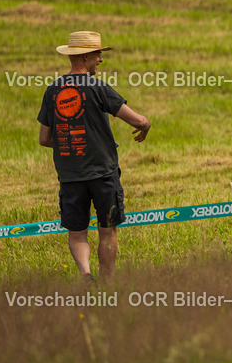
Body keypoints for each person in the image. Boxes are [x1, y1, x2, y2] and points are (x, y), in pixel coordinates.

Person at [37, 31, 151, 282]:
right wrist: (145, 125)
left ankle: (86, 274)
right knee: (107, 231)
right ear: (86, 56)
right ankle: (108, 284)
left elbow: (44, 139)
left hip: (70, 174)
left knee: (77, 233)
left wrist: (72, 144)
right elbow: (136, 119)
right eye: (98, 54)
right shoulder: (97, 87)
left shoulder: (52, 90)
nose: (101, 59)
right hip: (103, 173)